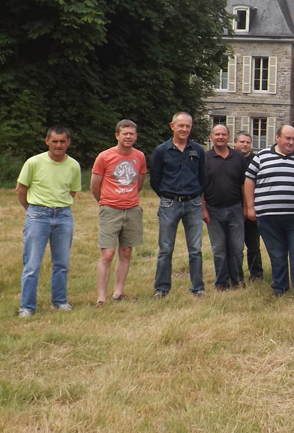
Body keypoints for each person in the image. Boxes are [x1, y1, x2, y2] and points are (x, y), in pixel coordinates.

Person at [15, 126, 82, 317]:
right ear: (47, 141)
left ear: (68, 142)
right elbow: (20, 190)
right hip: (38, 215)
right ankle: (27, 307)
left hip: (63, 216)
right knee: (32, 264)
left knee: (61, 263)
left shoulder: (73, 165)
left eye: (62, 141)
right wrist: (32, 211)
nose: (58, 145)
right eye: (55, 141)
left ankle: (59, 302)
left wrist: (58, 208)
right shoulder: (34, 162)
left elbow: (72, 191)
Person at [244, 125, 294, 297]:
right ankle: (279, 287)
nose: (291, 142)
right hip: (268, 217)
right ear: (277, 138)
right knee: (276, 254)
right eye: (288, 138)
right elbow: (249, 181)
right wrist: (250, 207)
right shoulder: (261, 157)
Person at [149, 112, 208, 298]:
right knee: (165, 249)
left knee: (196, 249)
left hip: (193, 203)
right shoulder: (161, 151)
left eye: (187, 126)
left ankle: (197, 288)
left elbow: (203, 177)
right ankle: (161, 288)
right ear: (172, 126)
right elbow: (155, 179)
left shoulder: (197, 150)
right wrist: (166, 195)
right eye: (180, 125)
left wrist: (195, 194)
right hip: (169, 203)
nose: (184, 129)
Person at [91, 119, 146, 306]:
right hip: (110, 210)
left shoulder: (139, 156)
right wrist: (106, 202)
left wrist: (128, 198)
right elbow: (94, 185)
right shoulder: (105, 157)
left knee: (126, 251)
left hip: (132, 209)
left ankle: (118, 293)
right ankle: (100, 297)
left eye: (132, 134)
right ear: (117, 135)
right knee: (107, 253)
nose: (128, 137)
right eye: (125, 133)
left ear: (136, 136)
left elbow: (139, 181)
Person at [204, 124, 249, 290]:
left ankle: (237, 279)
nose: (220, 137)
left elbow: (244, 184)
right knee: (219, 249)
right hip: (213, 209)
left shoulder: (238, 158)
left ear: (229, 138)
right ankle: (221, 282)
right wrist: (202, 209)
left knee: (237, 247)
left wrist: (245, 206)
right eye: (217, 134)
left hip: (235, 208)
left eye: (224, 134)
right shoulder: (205, 158)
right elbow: (201, 186)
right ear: (211, 138)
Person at [234, 131, 263, 281]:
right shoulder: (231, 158)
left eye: (247, 142)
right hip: (233, 206)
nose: (245, 145)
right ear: (235, 143)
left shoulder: (256, 160)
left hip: (253, 207)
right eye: (242, 142)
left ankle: (256, 273)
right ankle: (235, 274)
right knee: (235, 245)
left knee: (253, 244)